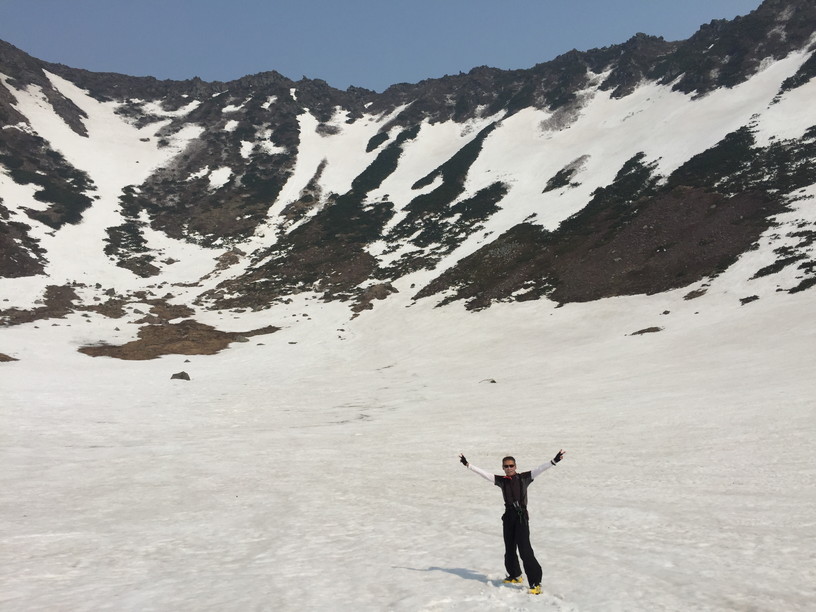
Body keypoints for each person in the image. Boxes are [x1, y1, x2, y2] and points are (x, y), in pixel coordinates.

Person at [458, 450, 565, 595]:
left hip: (521, 517)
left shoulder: (524, 478)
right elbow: (484, 474)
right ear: (503, 468)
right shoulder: (501, 480)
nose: (508, 468)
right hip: (508, 517)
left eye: (511, 465)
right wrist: (468, 465)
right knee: (509, 548)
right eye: (506, 466)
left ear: (515, 466)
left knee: (525, 550)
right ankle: (515, 575)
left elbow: (540, 469)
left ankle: (535, 583)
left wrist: (554, 461)